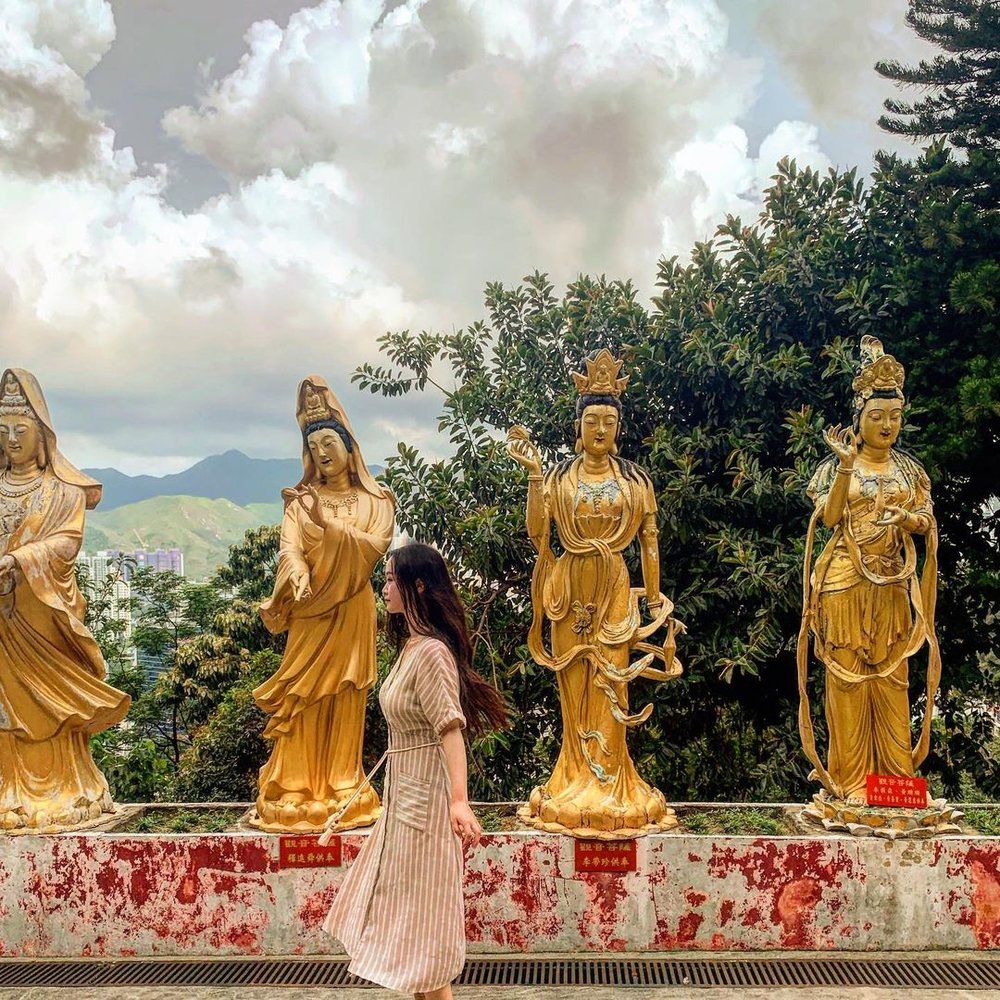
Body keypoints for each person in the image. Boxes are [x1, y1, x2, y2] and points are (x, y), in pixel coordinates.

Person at [507, 349, 682, 839]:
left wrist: (653, 599)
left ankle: (609, 781)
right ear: (577, 426)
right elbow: (538, 533)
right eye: (591, 421)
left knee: (611, 681)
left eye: (608, 421)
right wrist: (534, 475)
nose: (600, 430)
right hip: (569, 586)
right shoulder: (561, 478)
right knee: (573, 686)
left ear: (618, 427)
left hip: (614, 588)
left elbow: (649, 541)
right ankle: (574, 777)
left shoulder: (635, 481)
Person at [323, 542, 508, 1000]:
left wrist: (459, 801)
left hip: (425, 805)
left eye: (390, 580)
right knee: (408, 929)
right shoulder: (410, 647)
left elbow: (450, 729)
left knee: (424, 928)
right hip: (402, 800)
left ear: (418, 586)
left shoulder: (430, 654)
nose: (384, 588)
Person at [798, 336, 941, 804]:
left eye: (894, 417)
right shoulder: (836, 467)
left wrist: (909, 520)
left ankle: (895, 778)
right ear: (859, 419)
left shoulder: (909, 471)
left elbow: (926, 521)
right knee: (847, 676)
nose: (886, 425)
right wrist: (843, 468)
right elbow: (832, 518)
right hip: (844, 582)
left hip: (893, 583)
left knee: (893, 675)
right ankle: (851, 780)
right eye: (876, 416)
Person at [251, 376, 395, 832]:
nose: (322, 454)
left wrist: (325, 525)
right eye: (313, 447)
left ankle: (342, 778)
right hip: (310, 611)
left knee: (347, 692)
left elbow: (373, 547)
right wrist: (294, 573)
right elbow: (288, 547)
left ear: (349, 446)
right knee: (305, 696)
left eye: (329, 442)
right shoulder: (301, 500)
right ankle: (294, 783)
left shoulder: (376, 499)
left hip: (352, 608)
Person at [0, 368, 130, 831]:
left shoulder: (62, 491)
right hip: (2, 623)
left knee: (49, 701)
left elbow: (66, 543)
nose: (12, 439)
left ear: (42, 436)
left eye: (21, 429)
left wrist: (19, 560)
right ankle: (8, 788)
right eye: (4, 431)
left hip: (41, 615)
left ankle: (66, 785)